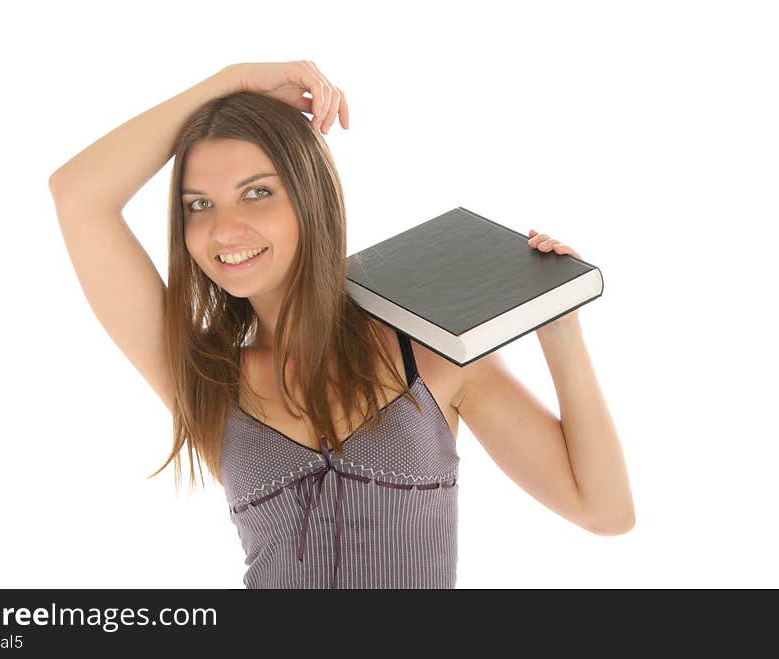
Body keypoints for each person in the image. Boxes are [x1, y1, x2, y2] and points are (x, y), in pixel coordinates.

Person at [48, 60, 635, 589]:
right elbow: (77, 196)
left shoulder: (430, 354)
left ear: (311, 198)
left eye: (256, 193)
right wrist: (229, 82)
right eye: (199, 204)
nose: (224, 230)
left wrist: (558, 325)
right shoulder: (208, 382)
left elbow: (604, 511)